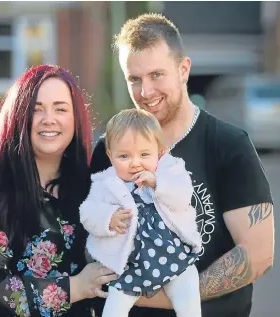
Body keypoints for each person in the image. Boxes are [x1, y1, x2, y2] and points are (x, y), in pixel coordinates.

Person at [90, 13, 275, 317]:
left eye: (156, 75)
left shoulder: (228, 145)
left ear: (183, 69)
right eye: (134, 79)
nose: (145, 92)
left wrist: (175, 295)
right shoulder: (108, 150)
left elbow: (258, 255)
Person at [0, 64, 118, 317]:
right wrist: (74, 288)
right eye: (37, 109)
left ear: (76, 119)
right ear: (18, 117)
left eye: (61, 109)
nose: (49, 118)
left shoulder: (90, 188)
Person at [80, 109, 202, 317]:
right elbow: (88, 213)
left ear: (160, 152)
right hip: (130, 266)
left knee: (189, 300)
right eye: (124, 156)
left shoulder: (170, 171)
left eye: (144, 154)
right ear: (110, 156)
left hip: (172, 256)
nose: (135, 163)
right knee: (113, 310)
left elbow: (183, 197)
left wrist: (157, 184)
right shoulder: (105, 183)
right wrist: (109, 218)